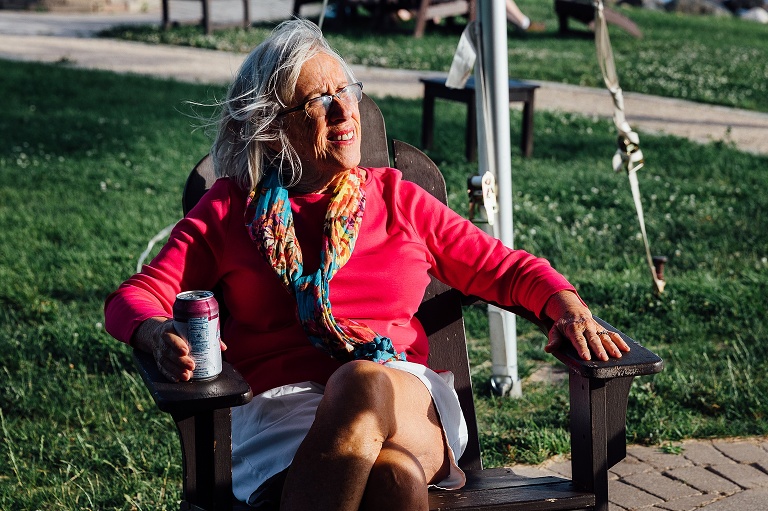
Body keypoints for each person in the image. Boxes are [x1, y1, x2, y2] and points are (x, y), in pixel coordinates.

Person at [104, 18, 629, 511]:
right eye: (318, 99)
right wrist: (155, 334)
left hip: (406, 397)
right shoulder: (229, 209)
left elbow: (506, 269)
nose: (343, 110)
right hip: (281, 414)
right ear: (274, 126)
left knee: (363, 381)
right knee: (392, 480)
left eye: (347, 91)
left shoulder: (398, 199)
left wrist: (568, 306)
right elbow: (137, 296)